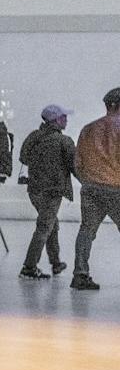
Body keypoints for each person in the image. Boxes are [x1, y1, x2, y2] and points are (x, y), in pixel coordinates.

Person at [18, 104, 76, 280]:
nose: (66, 120)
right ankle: (29, 267)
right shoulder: (64, 141)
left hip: (34, 189)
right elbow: (75, 166)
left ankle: (56, 262)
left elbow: (23, 158)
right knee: (44, 227)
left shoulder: (33, 137)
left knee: (51, 224)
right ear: (56, 120)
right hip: (53, 191)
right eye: (64, 117)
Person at [71, 87, 120, 291]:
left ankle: (80, 275)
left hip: (91, 188)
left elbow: (77, 162)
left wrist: (88, 181)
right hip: (117, 188)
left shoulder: (88, 129)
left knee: (86, 231)